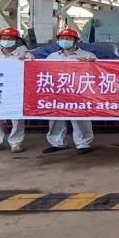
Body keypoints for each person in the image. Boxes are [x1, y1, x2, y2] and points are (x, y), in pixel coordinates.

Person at [43, 27, 97, 155]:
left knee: (80, 118)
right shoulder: (52, 57)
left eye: (68, 38)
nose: (65, 40)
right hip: (57, 91)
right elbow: (43, 72)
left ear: (76, 41)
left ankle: (83, 143)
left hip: (80, 92)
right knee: (56, 118)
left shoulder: (88, 56)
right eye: (62, 38)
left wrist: (91, 64)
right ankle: (57, 143)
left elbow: (99, 73)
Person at [0, 27, 33, 154]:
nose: (7, 40)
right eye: (4, 38)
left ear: (16, 40)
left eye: (10, 38)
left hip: (16, 90)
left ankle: (16, 143)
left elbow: (32, 69)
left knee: (17, 117)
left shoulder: (25, 55)